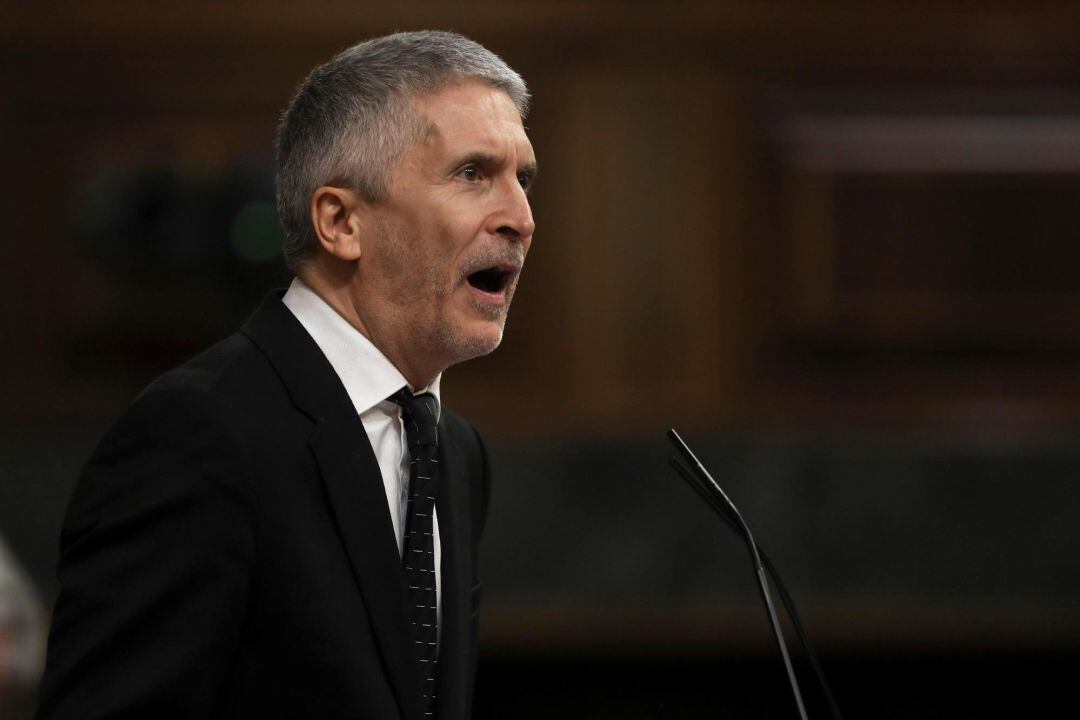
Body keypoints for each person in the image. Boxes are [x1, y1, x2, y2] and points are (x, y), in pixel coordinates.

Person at [36, 30, 536, 720]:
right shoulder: (196, 433)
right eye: (473, 174)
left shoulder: (454, 450)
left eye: (523, 178)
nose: (521, 218)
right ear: (339, 221)